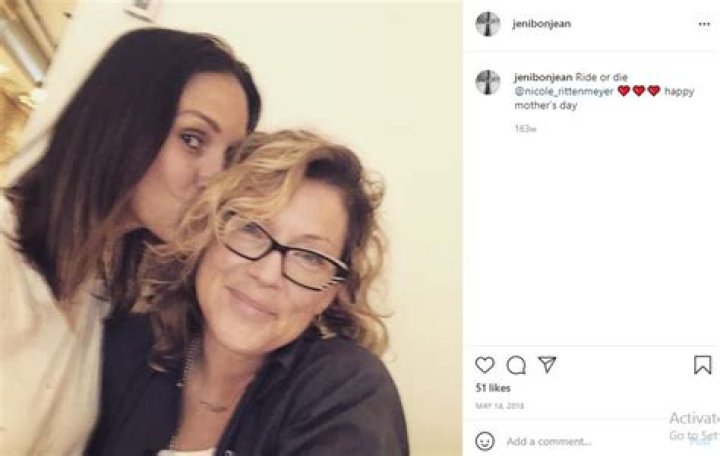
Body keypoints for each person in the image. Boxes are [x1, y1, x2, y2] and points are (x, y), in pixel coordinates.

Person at [0, 28, 261, 454]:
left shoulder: (102, 295)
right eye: (192, 139)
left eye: (230, 157)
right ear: (120, 124)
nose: (216, 181)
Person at [87, 130, 409, 455]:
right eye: (251, 229)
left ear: (329, 293)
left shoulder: (347, 390)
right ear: (205, 232)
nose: (267, 275)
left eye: (310, 257)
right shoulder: (123, 349)